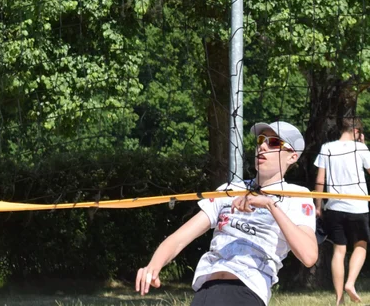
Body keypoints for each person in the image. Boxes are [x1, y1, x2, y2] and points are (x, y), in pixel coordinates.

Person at [135, 121, 318, 305]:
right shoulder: (230, 189)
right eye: (261, 140)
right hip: (206, 289)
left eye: (274, 143)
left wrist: (270, 205)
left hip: (247, 291)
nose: (262, 146)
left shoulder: (297, 196)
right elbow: (180, 238)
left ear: (292, 157)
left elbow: (309, 256)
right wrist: (153, 266)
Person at [314, 116, 370, 305]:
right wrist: (364, 145)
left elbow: (320, 180)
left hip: (333, 206)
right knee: (361, 245)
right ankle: (350, 283)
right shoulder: (360, 147)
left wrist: (318, 205)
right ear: (357, 131)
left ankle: (339, 299)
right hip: (357, 205)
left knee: (338, 251)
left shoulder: (327, 148)